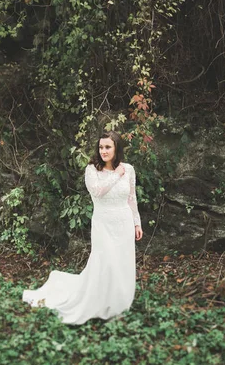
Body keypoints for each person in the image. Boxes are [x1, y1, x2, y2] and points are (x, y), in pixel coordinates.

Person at [22, 130, 143, 325]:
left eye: (108, 147)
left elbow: (132, 198)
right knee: (105, 262)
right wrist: (115, 176)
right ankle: (99, 301)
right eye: (101, 147)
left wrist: (137, 222)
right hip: (103, 222)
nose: (103, 151)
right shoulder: (92, 170)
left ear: (116, 148)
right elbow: (97, 191)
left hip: (124, 221)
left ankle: (119, 303)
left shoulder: (128, 169)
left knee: (122, 263)